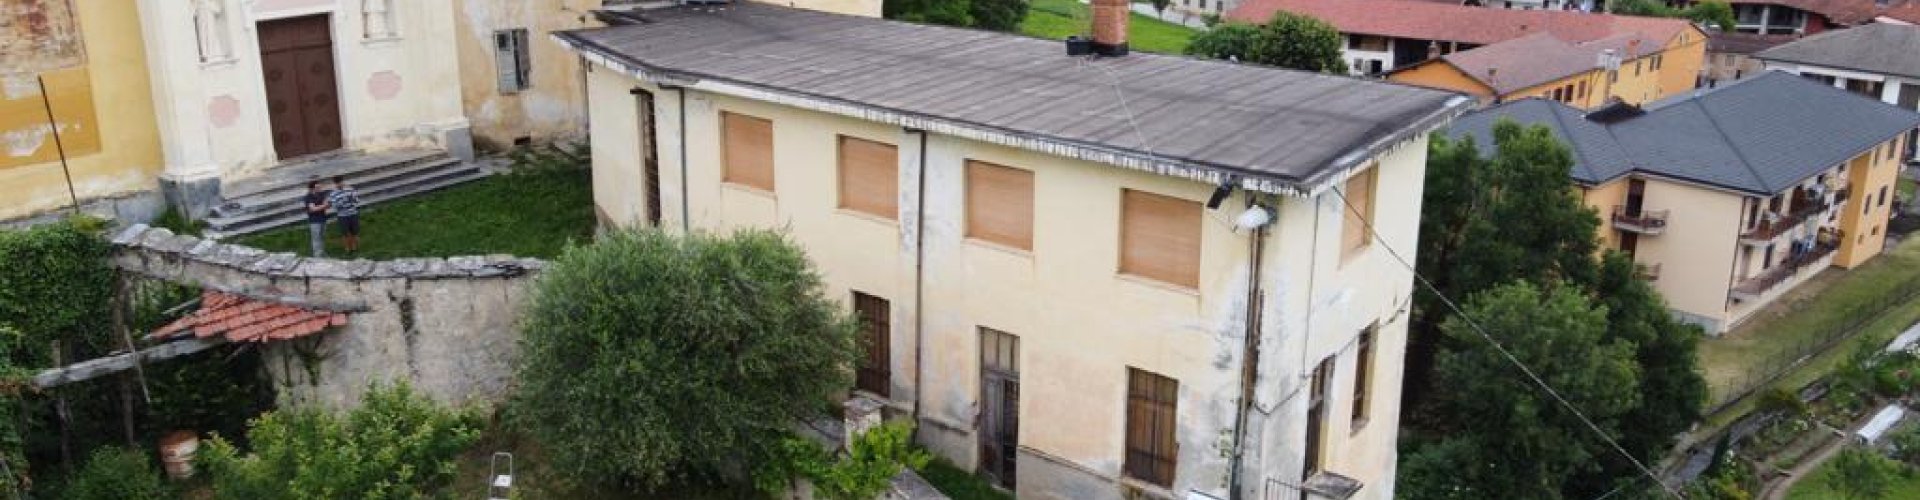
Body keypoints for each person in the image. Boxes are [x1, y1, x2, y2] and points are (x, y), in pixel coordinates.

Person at [328, 175, 363, 254]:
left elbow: (357, 200)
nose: (339, 184)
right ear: (335, 184)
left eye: (340, 182)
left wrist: (352, 200)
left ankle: (354, 246)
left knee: (355, 231)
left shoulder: (350, 189)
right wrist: (341, 203)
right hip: (342, 215)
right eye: (337, 183)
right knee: (345, 233)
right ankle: (347, 248)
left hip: (353, 213)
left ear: (343, 181)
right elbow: (334, 206)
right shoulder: (333, 193)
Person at [304, 180, 331, 257]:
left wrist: (321, 207)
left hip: (323, 219)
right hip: (314, 221)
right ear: (312, 188)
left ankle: (322, 253)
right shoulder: (308, 197)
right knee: (316, 239)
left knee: (322, 238)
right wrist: (323, 206)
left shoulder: (322, 194)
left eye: (320, 187)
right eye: (317, 187)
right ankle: (317, 256)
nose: (319, 188)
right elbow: (313, 209)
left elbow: (328, 204)